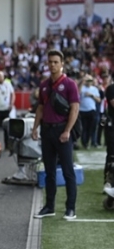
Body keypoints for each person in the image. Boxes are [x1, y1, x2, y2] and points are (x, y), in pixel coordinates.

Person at [31, 50, 80, 220]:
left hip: (62, 131)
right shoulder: (44, 85)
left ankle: (70, 208)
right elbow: (40, 108)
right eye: (50, 62)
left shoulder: (69, 84)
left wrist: (67, 130)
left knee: (68, 172)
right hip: (47, 131)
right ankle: (49, 207)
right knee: (49, 171)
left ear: (62, 64)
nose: (52, 65)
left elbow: (75, 109)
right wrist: (35, 127)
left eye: (55, 62)